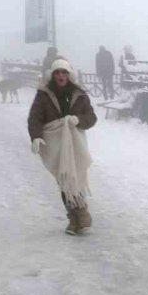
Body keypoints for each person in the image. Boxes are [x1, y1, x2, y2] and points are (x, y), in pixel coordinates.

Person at [27, 59, 98, 235]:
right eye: (57, 72)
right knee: (64, 179)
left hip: (75, 142)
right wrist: (35, 136)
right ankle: (76, 218)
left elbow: (91, 117)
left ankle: (80, 216)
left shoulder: (79, 94)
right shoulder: (44, 94)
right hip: (55, 143)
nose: (61, 76)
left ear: (69, 74)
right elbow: (35, 118)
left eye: (64, 72)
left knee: (77, 176)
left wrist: (78, 120)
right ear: (52, 74)